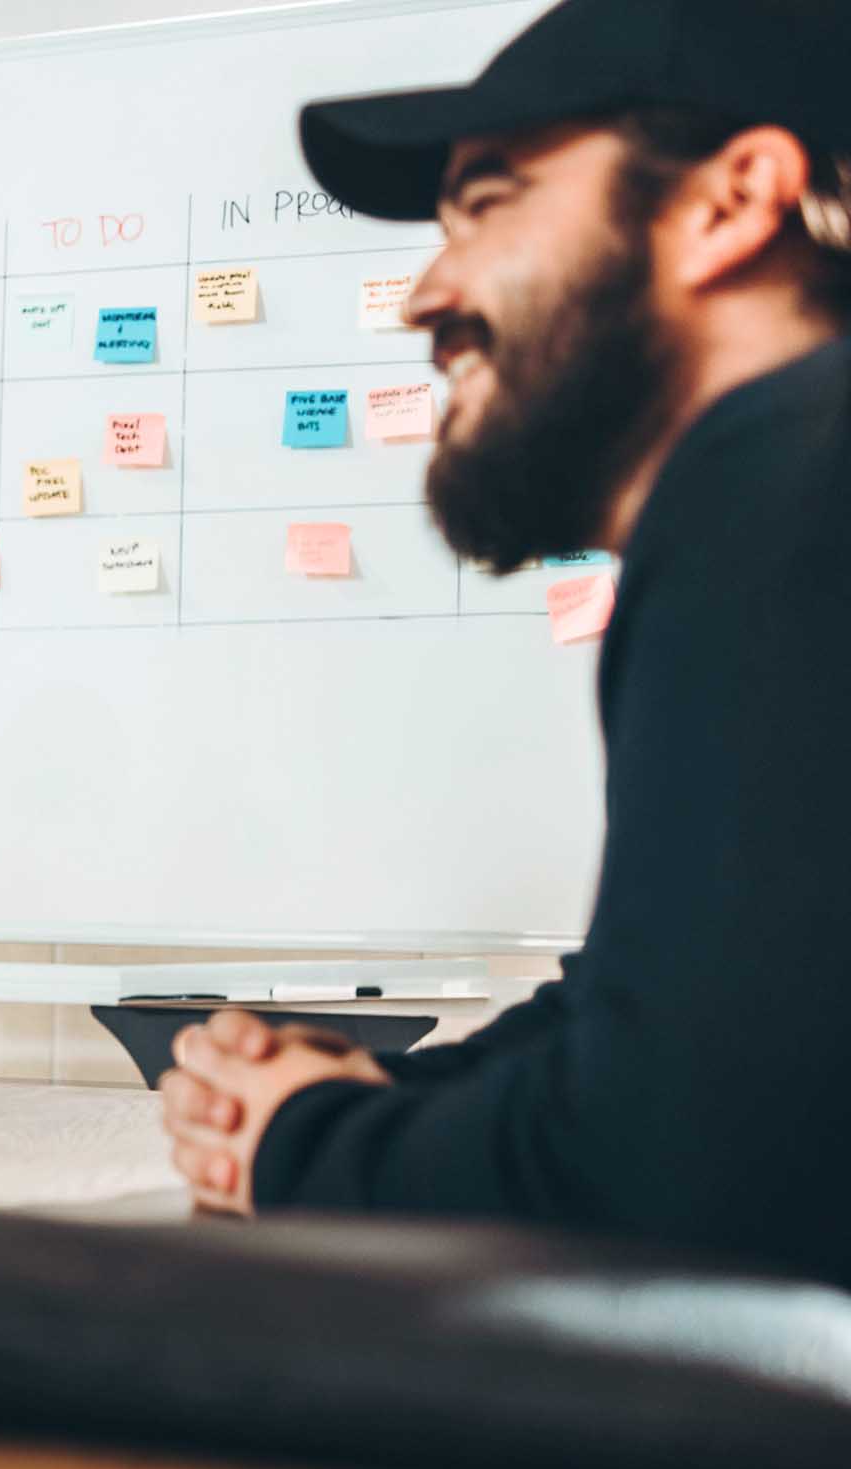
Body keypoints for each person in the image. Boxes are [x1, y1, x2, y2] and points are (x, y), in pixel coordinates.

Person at [161, 0, 851, 1284]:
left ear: (729, 200)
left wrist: (303, 1145)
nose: (425, 291)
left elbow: (684, 1170)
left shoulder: (778, 478)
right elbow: (673, 1006)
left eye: (484, 202)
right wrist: (372, 1087)